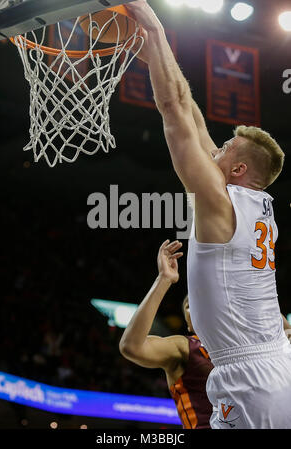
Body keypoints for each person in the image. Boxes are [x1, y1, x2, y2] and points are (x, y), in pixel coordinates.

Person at [126, 1, 291, 429]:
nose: (212, 149)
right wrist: (154, 56)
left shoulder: (221, 203)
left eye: (223, 151)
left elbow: (176, 112)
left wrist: (154, 29)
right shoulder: (258, 209)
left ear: (237, 170)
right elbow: (195, 120)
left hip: (251, 379)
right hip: (273, 365)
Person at [119, 239, 213, 429]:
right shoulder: (183, 347)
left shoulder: (243, 343)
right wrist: (164, 279)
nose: (196, 303)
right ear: (188, 325)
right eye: (189, 304)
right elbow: (131, 347)